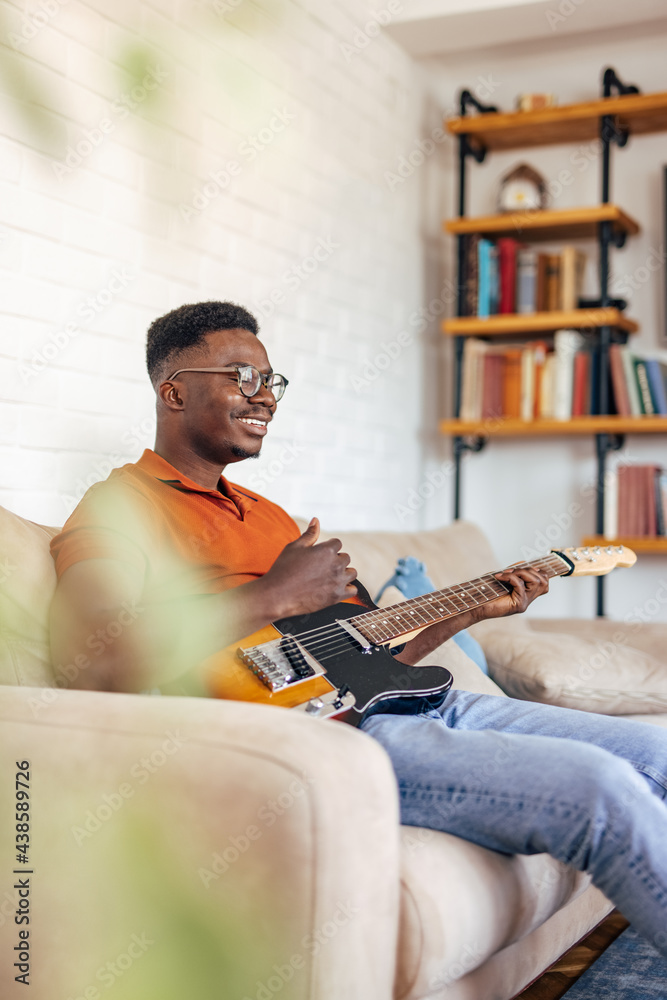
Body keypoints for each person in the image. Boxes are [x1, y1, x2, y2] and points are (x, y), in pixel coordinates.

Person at [49, 301, 667, 958]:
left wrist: (468, 612)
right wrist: (274, 594)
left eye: (272, 381)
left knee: (654, 758)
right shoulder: (119, 507)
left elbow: (372, 651)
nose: (266, 398)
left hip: (416, 700)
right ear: (174, 390)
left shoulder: (273, 518)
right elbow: (94, 658)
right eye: (241, 376)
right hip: (324, 737)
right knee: (598, 791)